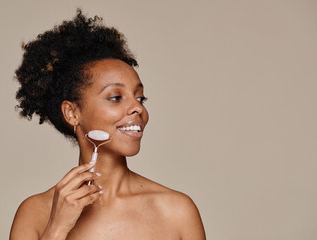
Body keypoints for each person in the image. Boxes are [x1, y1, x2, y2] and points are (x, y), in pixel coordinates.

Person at [10, 9, 206, 240]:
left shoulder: (176, 211)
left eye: (140, 98)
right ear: (72, 113)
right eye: (116, 97)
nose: (138, 108)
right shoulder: (35, 213)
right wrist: (57, 228)